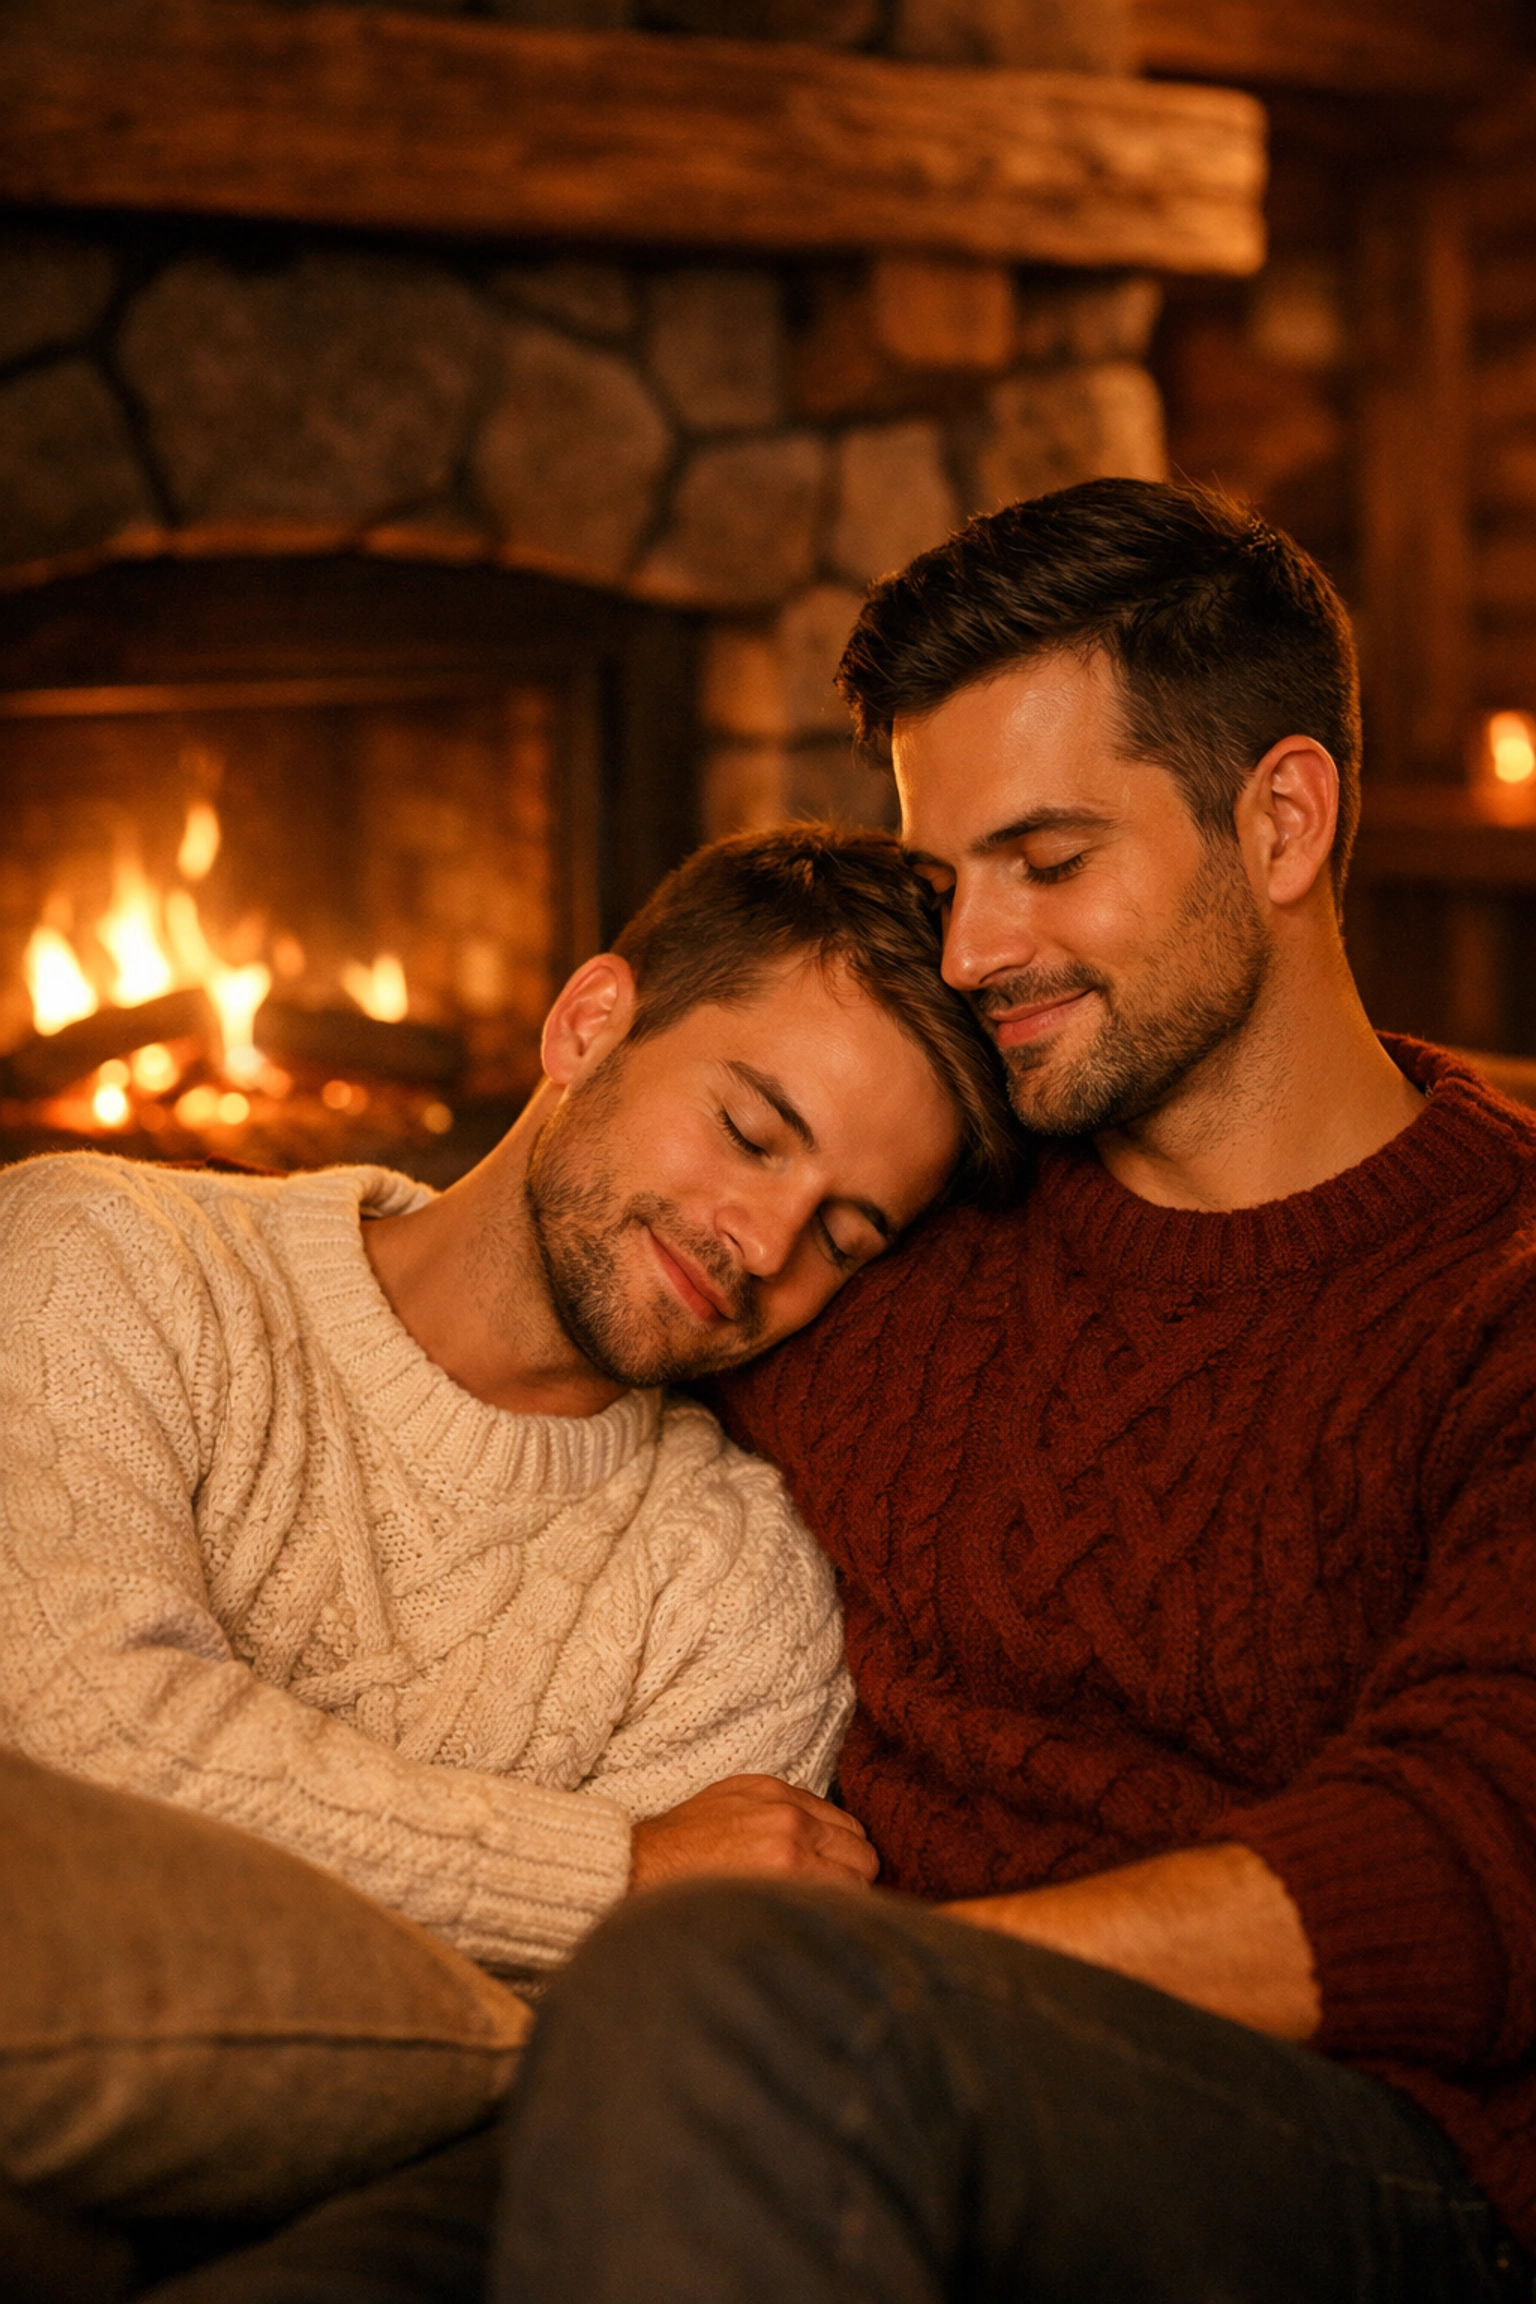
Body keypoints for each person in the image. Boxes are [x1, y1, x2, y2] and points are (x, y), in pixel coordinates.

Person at [492, 482, 1536, 2303]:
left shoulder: (1500, 1286)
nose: (970, 950)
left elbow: (1465, 1854)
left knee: (720, 2005)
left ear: (1282, 820)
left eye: (1046, 861)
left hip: (1369, 2160)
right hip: (803, 2079)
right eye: (949, 871)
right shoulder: (900, 1220)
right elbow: (537, 1299)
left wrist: (889, 1980)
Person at [0, 825, 1018, 1980]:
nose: (766, 1241)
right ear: (589, 1025)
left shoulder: (739, 1593)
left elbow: (587, 2055)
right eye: (750, 1134)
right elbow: (75, 1735)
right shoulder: (106, 1255)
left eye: (843, 1238)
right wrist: (615, 1870)